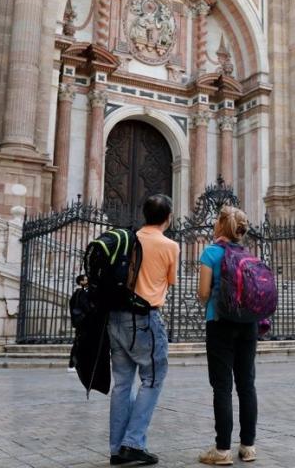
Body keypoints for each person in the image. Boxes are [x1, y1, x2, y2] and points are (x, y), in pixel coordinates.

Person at [108, 194, 178, 466]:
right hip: (144, 319)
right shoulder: (169, 246)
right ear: (168, 218)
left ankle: (116, 448)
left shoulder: (129, 239)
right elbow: (170, 280)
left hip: (116, 318)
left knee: (122, 384)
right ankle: (133, 444)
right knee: (152, 380)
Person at [197, 206, 259, 465]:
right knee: (246, 384)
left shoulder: (211, 253)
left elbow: (202, 293)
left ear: (220, 226)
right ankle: (248, 447)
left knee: (221, 386)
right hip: (248, 324)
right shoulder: (249, 256)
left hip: (220, 322)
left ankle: (222, 450)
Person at [68, 274, 90, 371]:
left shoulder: (77, 293)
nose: (88, 281)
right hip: (83, 323)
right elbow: (86, 308)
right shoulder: (80, 293)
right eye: (86, 280)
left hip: (80, 323)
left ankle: (75, 364)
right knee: (79, 343)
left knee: (79, 343)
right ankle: (73, 364)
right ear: (81, 282)